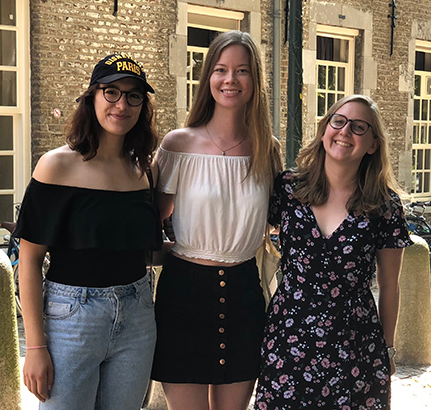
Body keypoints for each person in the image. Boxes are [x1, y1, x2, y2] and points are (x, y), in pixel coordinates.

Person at [14, 53, 162, 409]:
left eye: (133, 96)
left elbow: (145, 246)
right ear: (92, 97)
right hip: (72, 319)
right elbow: (29, 261)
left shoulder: (143, 170)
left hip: (138, 315)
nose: (122, 104)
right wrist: (34, 346)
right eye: (111, 92)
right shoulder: (56, 166)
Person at [254, 95, 413, 409]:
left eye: (358, 127)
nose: (345, 131)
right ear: (324, 129)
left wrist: (388, 349)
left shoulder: (384, 205)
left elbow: (389, 285)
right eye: (338, 121)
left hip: (355, 346)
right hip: (288, 339)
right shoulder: (288, 189)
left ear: (373, 144)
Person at [150, 30, 282, 410]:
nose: (230, 79)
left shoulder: (267, 150)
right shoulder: (178, 145)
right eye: (221, 69)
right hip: (183, 294)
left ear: (255, 81)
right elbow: (148, 221)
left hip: (244, 292)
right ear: (208, 76)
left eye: (242, 70)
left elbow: (283, 219)